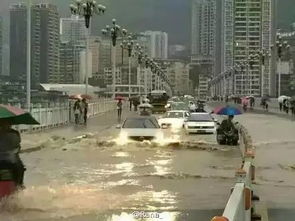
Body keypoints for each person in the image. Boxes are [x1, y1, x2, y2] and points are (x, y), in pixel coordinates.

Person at [0, 120, 25, 187]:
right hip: (12, 162)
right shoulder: (15, 133)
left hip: (6, 162)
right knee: (21, 169)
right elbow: (18, 145)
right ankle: (19, 185)